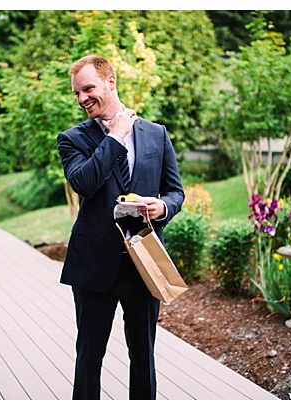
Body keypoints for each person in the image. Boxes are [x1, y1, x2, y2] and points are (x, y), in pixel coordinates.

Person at [56, 55, 184, 400]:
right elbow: (83, 183)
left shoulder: (156, 134)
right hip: (94, 264)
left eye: (88, 89)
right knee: (89, 355)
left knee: (143, 354)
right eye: (77, 93)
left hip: (145, 262)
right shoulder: (71, 139)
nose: (82, 98)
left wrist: (162, 207)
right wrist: (114, 136)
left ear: (110, 82)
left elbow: (175, 191)